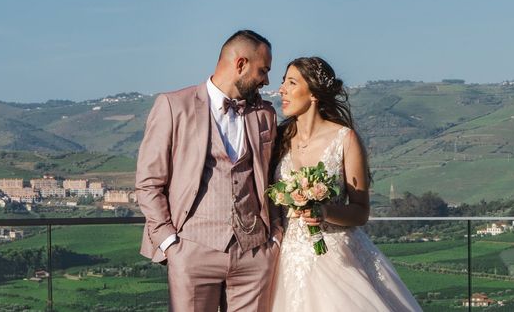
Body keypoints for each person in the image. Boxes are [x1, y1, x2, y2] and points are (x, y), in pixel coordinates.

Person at [135, 29, 283, 312]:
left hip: (255, 253)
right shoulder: (173, 106)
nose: (266, 80)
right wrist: (169, 242)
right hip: (192, 250)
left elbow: (272, 176)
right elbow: (148, 183)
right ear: (240, 64)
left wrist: (274, 235)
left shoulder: (265, 114)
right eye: (263, 70)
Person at [271, 57, 422, 312]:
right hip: (286, 259)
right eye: (283, 82)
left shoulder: (345, 139)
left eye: (291, 82)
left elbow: (361, 211)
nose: (281, 89)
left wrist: (325, 211)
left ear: (314, 94)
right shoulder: (278, 139)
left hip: (337, 255)